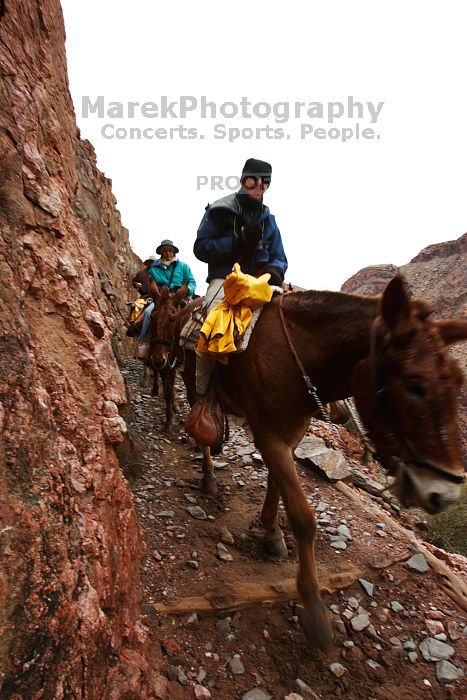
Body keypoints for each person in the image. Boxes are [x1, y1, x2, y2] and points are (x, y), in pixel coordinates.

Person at [193, 158, 288, 398]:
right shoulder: (219, 210)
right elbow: (201, 248)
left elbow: (279, 256)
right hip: (225, 280)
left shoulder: (269, 221)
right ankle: (202, 397)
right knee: (211, 329)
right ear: (243, 180)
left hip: (259, 282)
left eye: (264, 182)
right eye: (253, 180)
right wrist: (237, 241)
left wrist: (275, 271)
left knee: (289, 321)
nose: (259, 186)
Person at [139, 239, 196, 340]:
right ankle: (144, 342)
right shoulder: (154, 269)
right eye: (165, 251)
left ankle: (190, 345)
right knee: (148, 313)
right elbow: (152, 284)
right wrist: (157, 293)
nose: (168, 253)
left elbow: (192, 283)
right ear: (161, 253)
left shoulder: (183, 267)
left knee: (192, 317)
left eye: (170, 251)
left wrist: (187, 290)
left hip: (179, 297)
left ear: (173, 252)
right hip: (161, 299)